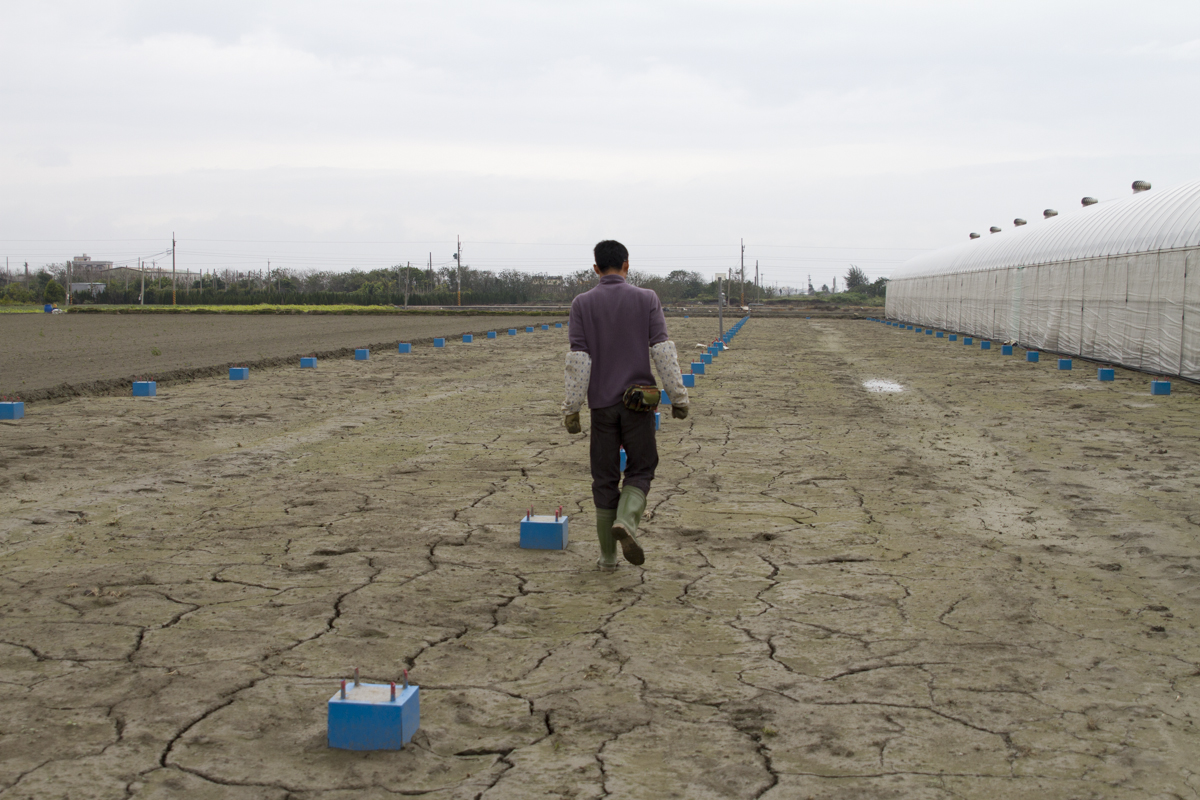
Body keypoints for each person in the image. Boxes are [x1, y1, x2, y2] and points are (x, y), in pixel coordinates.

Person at [561, 240, 689, 570]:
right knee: (641, 468)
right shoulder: (647, 299)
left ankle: (607, 558)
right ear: (627, 265)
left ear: (595, 269)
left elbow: (579, 360)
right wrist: (678, 397)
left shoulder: (581, 304)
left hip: (602, 406)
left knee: (603, 478)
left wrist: (572, 407)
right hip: (639, 404)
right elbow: (662, 351)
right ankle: (627, 523)